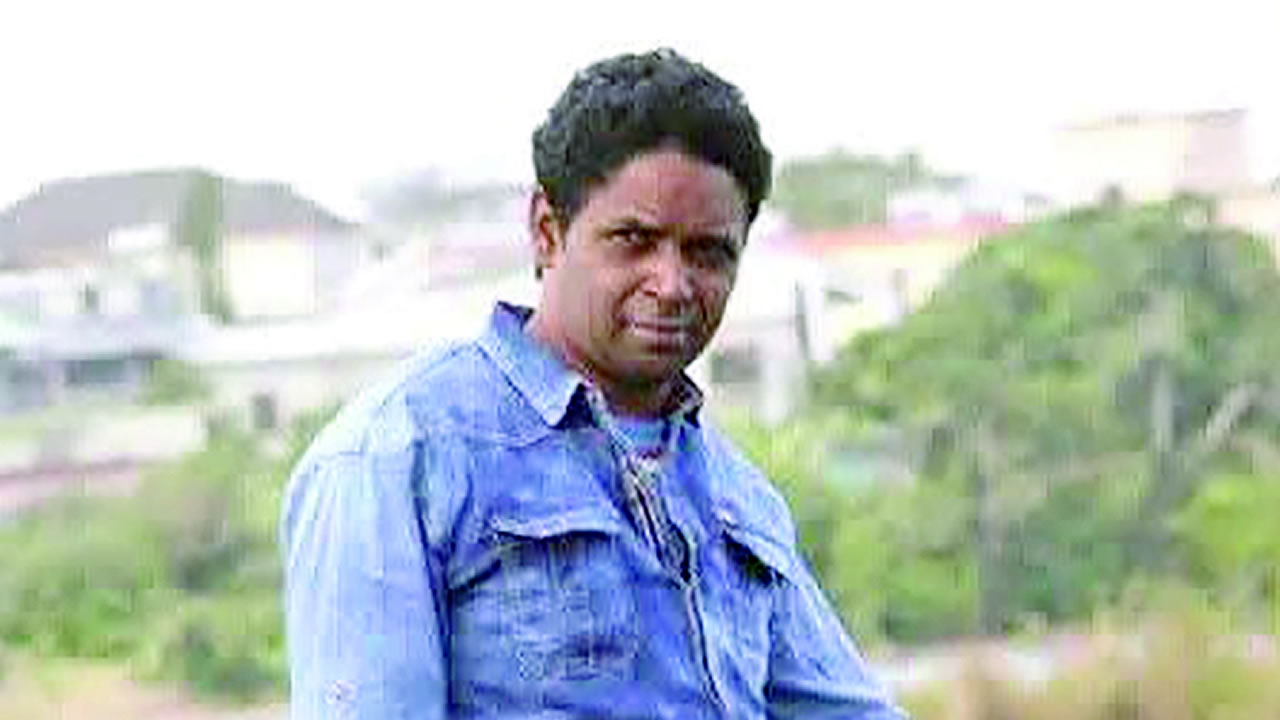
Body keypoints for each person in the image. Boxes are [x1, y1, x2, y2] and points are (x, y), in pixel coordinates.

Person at [281, 48, 907, 719]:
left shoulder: (738, 502)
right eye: (634, 240)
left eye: (707, 252)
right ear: (547, 232)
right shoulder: (398, 457)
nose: (672, 284)